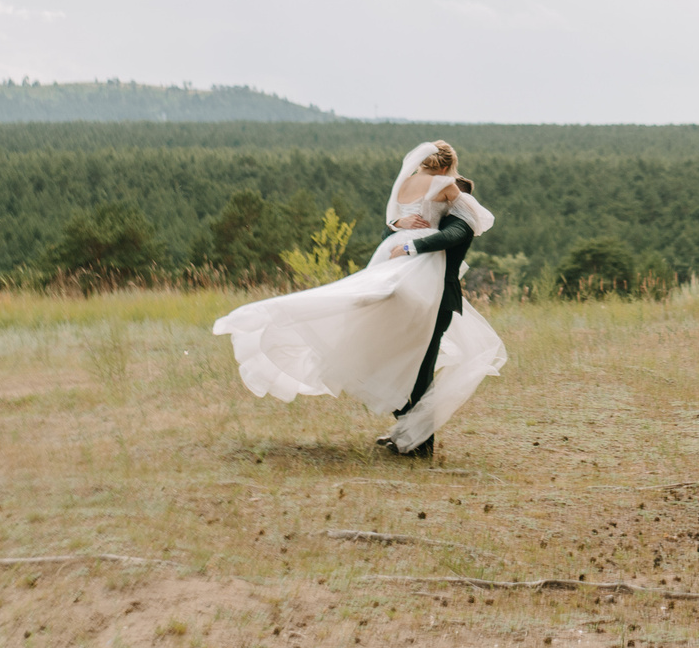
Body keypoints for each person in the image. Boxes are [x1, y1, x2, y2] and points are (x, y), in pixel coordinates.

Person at [210, 140, 505, 459]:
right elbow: (470, 224)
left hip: (395, 268)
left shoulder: (405, 184)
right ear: (447, 167)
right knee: (413, 364)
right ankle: (414, 439)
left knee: (412, 363)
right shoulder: (449, 190)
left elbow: (431, 232)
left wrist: (398, 227)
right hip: (418, 280)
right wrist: (411, 240)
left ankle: (412, 437)